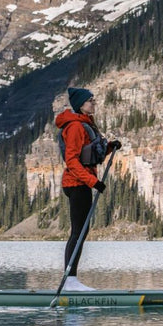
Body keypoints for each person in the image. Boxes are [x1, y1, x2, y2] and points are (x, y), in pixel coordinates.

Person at [55, 87, 121, 291]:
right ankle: (70, 281)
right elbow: (73, 161)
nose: (94, 103)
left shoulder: (85, 124)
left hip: (81, 182)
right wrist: (93, 182)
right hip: (76, 183)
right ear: (80, 105)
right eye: (90, 100)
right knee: (78, 232)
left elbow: (91, 152)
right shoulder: (75, 127)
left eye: (93, 100)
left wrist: (110, 146)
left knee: (81, 232)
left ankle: (71, 279)